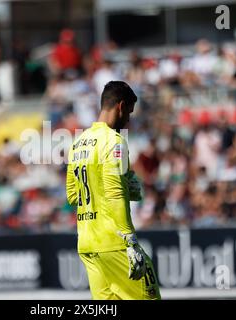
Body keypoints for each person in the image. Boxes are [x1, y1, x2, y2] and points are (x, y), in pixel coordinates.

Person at [66, 81, 161, 300]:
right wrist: (130, 240)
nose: (128, 119)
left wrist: (124, 183)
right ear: (120, 106)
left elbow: (73, 195)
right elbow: (114, 192)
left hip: (88, 244)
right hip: (114, 243)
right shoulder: (114, 141)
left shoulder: (78, 143)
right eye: (128, 112)